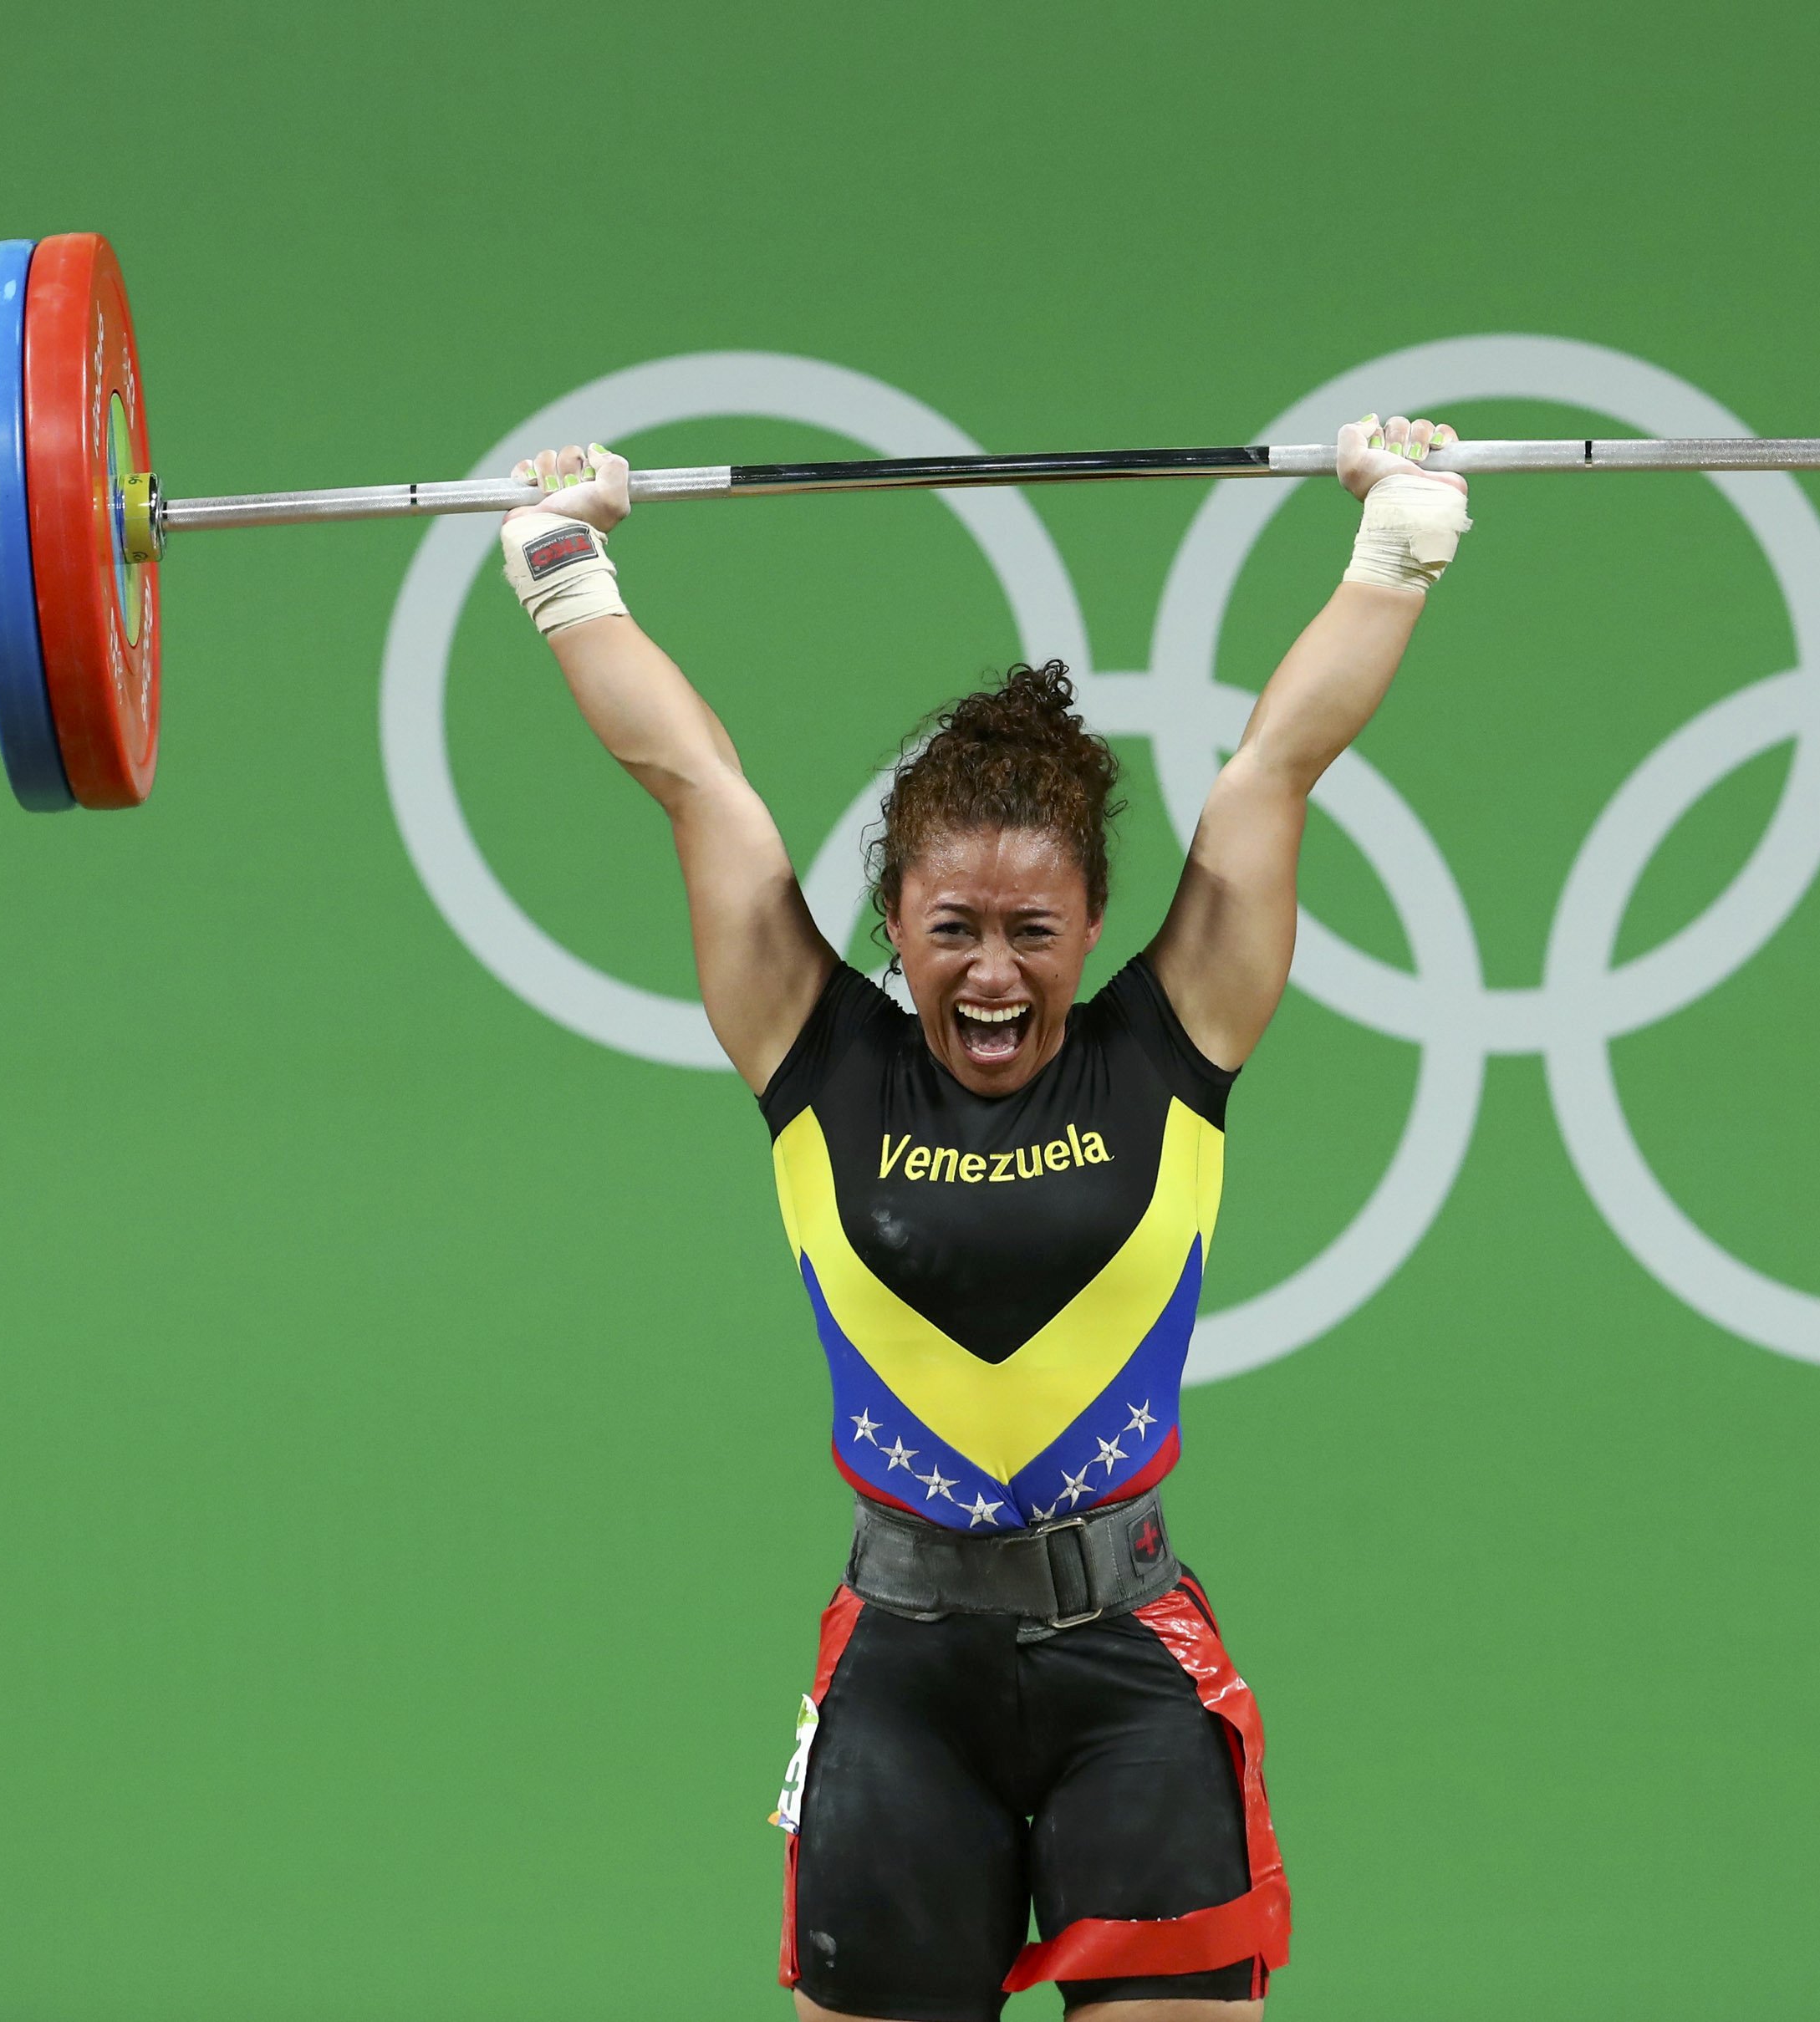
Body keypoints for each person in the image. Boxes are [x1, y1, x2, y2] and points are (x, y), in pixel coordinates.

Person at [498, 414, 1474, 2022]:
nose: (995, 970)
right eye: (952, 928)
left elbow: (1277, 765)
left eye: (1034, 928)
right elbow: (696, 782)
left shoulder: (1177, 1043)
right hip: (902, 1676)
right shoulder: (812, 1055)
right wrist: (563, 569)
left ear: (1097, 919)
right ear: (893, 920)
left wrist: (1399, 541)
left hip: (1129, 1672)